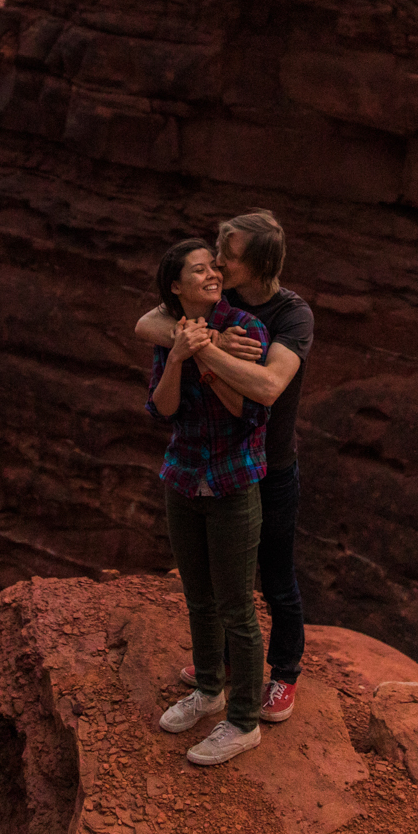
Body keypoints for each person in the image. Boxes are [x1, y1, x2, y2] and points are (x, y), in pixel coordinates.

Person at [135, 210, 313, 726]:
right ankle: (226, 668)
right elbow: (148, 322)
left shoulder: (291, 316)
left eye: (227, 253)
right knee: (223, 581)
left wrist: (204, 347)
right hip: (208, 461)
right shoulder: (221, 300)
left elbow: (267, 388)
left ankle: (284, 672)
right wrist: (201, 340)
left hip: (269, 462)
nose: (215, 260)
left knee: (275, 575)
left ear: (254, 264)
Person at [146, 238, 273, 766]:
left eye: (212, 268)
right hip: (182, 479)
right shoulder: (171, 332)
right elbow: (162, 409)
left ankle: (243, 721)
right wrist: (177, 355)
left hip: (232, 482)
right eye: (198, 271)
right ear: (177, 286)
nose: (211, 274)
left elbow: (250, 413)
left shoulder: (247, 329)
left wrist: (208, 355)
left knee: (237, 608)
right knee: (197, 596)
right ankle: (208, 691)